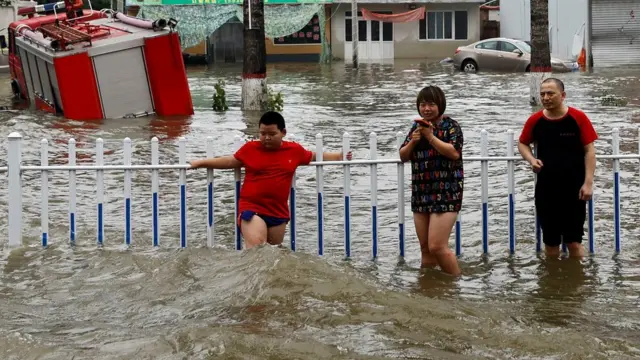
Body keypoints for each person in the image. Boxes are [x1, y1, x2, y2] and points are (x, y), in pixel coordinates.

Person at [189, 111, 352, 249]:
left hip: (278, 211)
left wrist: (338, 156)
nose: (266, 138)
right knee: (258, 250)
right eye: (262, 133)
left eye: (272, 134)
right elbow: (230, 161)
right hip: (252, 208)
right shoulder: (250, 149)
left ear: (283, 132)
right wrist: (202, 162)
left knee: (273, 254)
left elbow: (314, 156)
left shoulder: (294, 150)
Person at [518, 77, 597, 258]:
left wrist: (588, 183)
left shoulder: (578, 118)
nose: (545, 97)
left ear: (562, 95)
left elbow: (590, 151)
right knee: (550, 243)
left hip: (574, 188)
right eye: (542, 94)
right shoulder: (535, 120)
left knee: (574, 242)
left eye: (550, 93)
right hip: (546, 189)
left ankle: (577, 282)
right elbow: (522, 143)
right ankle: (551, 281)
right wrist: (531, 159)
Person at [399, 85, 464, 276]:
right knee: (425, 248)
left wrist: (430, 136)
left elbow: (453, 153)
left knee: (437, 246)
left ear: (440, 105)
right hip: (421, 191)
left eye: (431, 104)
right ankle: (429, 286)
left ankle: (455, 284)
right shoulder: (416, 127)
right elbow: (403, 156)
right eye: (422, 104)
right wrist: (414, 140)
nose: (426, 109)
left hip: (447, 191)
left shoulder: (451, 126)